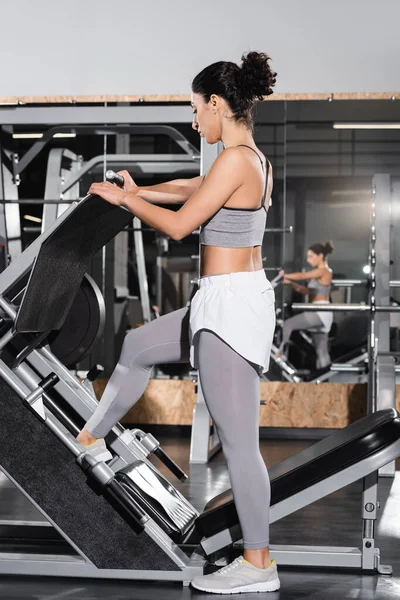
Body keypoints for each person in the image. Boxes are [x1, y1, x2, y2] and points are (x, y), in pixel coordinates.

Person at [76, 52, 280, 594]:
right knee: (139, 344)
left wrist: (125, 201)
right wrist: (139, 189)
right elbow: (193, 188)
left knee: (238, 444)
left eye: (195, 110)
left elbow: (182, 225)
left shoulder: (237, 159)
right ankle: (92, 437)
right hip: (221, 301)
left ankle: (258, 564)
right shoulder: (247, 158)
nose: (194, 122)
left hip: (228, 310)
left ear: (216, 104)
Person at [277, 241, 334, 369]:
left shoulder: (324, 271)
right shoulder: (318, 274)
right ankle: (324, 381)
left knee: (288, 324)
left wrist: (282, 275)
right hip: (318, 311)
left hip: (320, 311)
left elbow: (302, 275)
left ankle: (280, 354)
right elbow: (306, 291)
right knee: (321, 351)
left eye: (311, 256)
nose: (309, 260)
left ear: (320, 256)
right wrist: (290, 283)